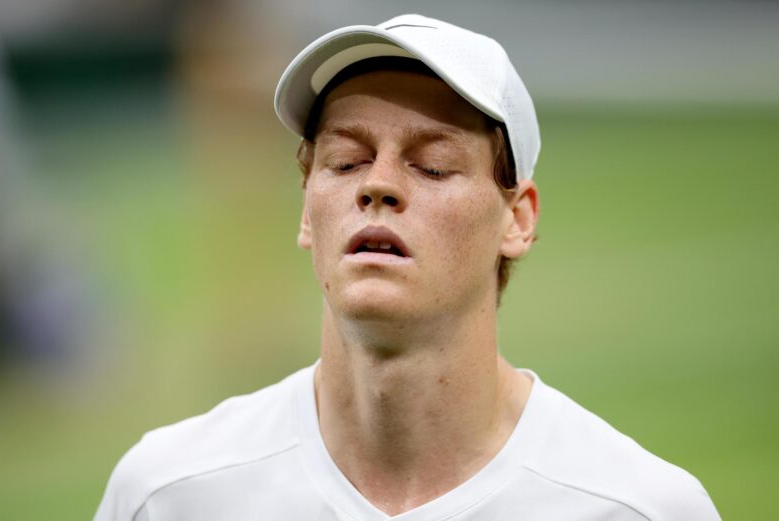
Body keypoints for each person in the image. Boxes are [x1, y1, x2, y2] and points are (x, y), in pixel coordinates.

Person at [94, 14, 721, 520]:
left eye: (433, 166)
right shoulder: (168, 494)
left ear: (517, 220)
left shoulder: (638, 507)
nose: (379, 185)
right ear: (308, 212)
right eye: (345, 162)